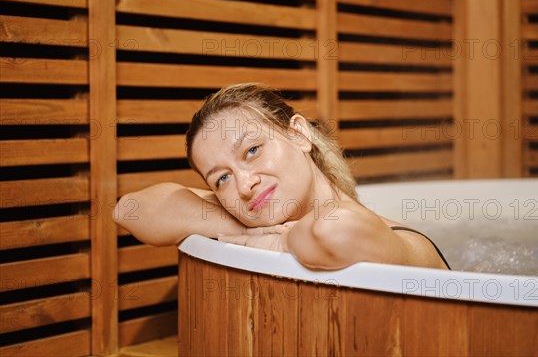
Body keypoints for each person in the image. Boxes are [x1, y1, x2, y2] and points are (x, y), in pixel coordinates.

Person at [113, 83, 450, 270]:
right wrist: (249, 227)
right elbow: (131, 210)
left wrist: (278, 240)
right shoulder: (262, 212)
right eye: (222, 179)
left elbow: (333, 231)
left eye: (252, 151)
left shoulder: (402, 241)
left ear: (299, 134)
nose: (245, 185)